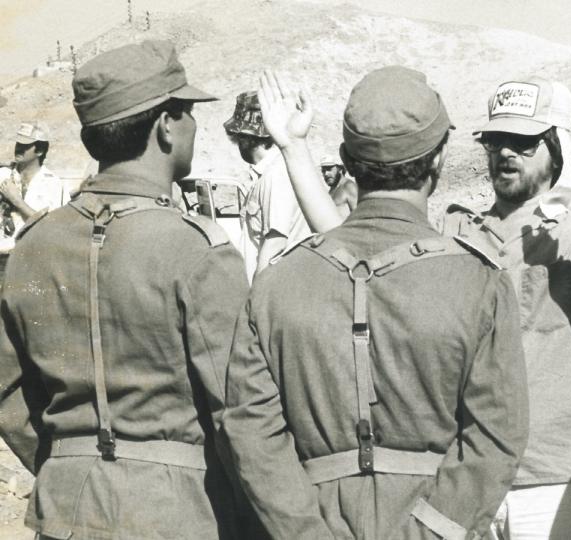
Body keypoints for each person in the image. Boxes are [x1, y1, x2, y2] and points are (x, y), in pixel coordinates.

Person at [222, 68, 530, 539]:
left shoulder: (274, 285)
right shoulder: (479, 282)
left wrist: (305, 531)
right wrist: (433, 530)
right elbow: (496, 435)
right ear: (440, 159)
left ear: (346, 160)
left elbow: (252, 435)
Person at [0, 40, 259, 539]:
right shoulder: (198, 249)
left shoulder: (34, 245)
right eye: (187, 113)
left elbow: (8, 390)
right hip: (177, 513)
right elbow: (242, 415)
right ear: (166, 125)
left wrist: (67, 464)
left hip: (66, 513)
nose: (194, 127)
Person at [440, 66, 571, 538]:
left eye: (523, 142)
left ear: (556, 152)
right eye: (496, 141)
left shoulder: (568, 239)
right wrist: (294, 150)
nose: (505, 152)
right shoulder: (457, 232)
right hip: (465, 471)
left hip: (550, 476)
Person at [224, 90, 342, 275]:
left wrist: (256, 297)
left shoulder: (276, 174)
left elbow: (275, 242)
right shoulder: (270, 173)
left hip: (276, 289)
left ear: (244, 139)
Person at [0, 121, 64, 254]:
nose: (18, 148)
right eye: (18, 143)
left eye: (25, 145)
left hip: (30, 257)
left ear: (40, 151)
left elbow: (52, 226)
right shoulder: (3, 175)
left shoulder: (53, 184)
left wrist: (17, 201)